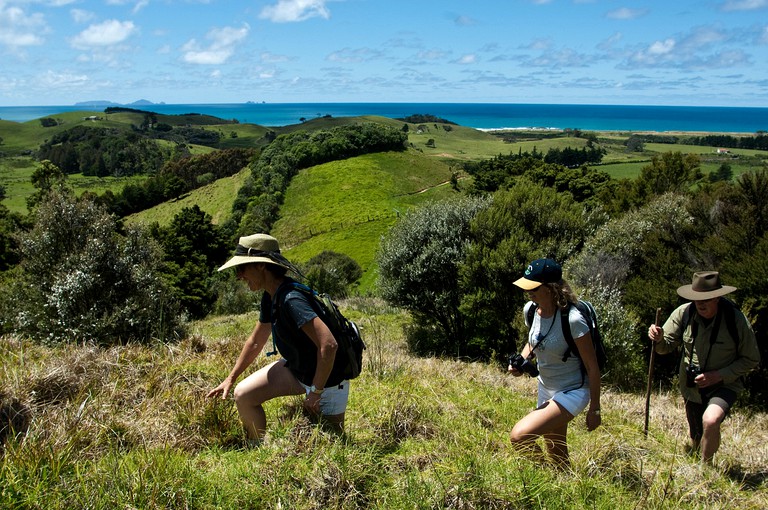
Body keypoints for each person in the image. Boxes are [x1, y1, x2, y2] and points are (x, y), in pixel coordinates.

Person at [207, 233, 350, 445]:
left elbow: (329, 345)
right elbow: (256, 341)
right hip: (298, 369)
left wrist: (316, 391)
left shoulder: (292, 299)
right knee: (243, 395)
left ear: (261, 266)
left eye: (242, 268)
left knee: (331, 443)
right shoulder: (271, 295)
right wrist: (231, 378)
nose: (239, 276)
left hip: (327, 378)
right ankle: (260, 449)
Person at [648, 271, 760, 464]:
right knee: (697, 437)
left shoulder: (736, 320)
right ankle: (701, 456)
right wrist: (657, 338)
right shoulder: (684, 313)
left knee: (711, 420)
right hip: (692, 387)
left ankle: (705, 470)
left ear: (717, 297)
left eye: (706, 299)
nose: (700, 303)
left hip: (724, 384)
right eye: (697, 298)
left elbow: (751, 359)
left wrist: (719, 375)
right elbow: (664, 347)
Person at [508, 258, 602, 468]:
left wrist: (595, 409)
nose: (528, 292)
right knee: (556, 451)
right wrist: (522, 360)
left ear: (551, 288)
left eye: (533, 287)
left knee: (519, 436)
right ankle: (562, 483)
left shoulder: (573, 320)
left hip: (572, 391)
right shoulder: (531, 310)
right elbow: (534, 340)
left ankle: (544, 473)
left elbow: (592, 367)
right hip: (546, 387)